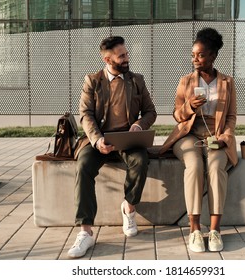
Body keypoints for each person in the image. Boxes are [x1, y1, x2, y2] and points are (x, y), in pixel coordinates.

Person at [68, 36, 157, 258]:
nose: (127, 58)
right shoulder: (92, 81)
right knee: (84, 165)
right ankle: (86, 232)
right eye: (122, 56)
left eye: (126, 54)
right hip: (99, 140)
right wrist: (97, 140)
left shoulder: (137, 80)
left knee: (140, 160)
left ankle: (128, 207)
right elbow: (85, 114)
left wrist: (138, 125)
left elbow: (150, 112)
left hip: (128, 139)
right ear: (108, 59)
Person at [159, 28, 238, 253]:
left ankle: (214, 231)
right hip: (189, 134)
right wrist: (189, 107)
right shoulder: (185, 81)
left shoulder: (227, 82)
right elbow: (176, 115)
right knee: (194, 166)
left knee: (215, 168)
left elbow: (231, 117)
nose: (195, 59)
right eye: (193, 54)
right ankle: (194, 230)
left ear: (213, 56)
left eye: (200, 55)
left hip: (217, 134)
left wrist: (225, 138)